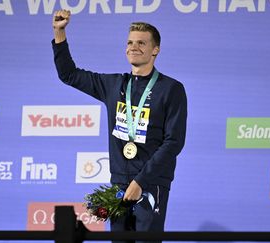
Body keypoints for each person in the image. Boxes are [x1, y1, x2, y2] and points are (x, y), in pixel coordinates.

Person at [51, 9, 187, 239]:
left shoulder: (171, 89)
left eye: (142, 43)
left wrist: (141, 182)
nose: (134, 47)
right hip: (118, 185)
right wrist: (59, 32)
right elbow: (69, 74)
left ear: (156, 50)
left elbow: (174, 142)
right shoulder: (114, 85)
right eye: (130, 42)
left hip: (151, 183)